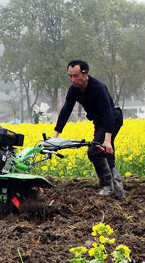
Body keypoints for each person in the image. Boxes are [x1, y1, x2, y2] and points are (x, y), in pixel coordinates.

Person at [53, 60, 124, 199]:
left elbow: (108, 113)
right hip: (99, 121)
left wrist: (107, 140)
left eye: (76, 75)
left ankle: (108, 187)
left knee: (94, 151)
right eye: (70, 76)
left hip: (112, 118)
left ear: (85, 74)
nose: (72, 79)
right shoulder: (74, 89)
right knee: (106, 154)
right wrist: (55, 137)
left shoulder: (98, 87)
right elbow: (66, 110)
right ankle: (118, 191)